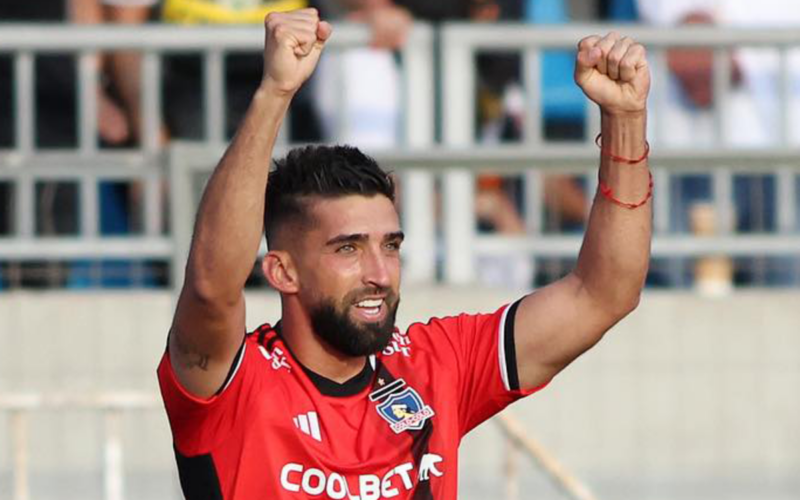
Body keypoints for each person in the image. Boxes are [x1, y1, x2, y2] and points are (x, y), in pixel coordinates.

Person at [157, 9, 652, 498]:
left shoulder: (437, 364)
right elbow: (210, 287)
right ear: (282, 271)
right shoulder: (235, 382)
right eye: (347, 248)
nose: (379, 273)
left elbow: (602, 293)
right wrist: (275, 93)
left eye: (390, 245)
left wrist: (626, 121)